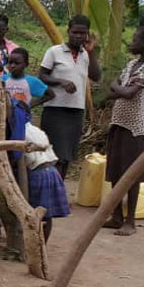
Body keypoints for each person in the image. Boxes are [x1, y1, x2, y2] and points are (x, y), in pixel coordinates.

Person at [103, 26, 144, 236]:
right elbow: (116, 93)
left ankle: (130, 221)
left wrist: (116, 86)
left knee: (132, 174)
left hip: (137, 127)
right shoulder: (132, 64)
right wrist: (118, 89)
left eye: (136, 39)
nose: (131, 42)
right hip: (119, 122)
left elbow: (127, 92)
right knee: (115, 170)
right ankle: (116, 216)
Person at [39, 15, 102, 178]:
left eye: (83, 33)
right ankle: (53, 194)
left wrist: (91, 51)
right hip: (55, 110)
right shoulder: (54, 52)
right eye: (75, 32)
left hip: (76, 111)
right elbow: (42, 76)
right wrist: (61, 81)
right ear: (68, 31)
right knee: (55, 155)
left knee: (67, 156)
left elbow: (95, 76)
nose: (79, 36)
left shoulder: (86, 54)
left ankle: (59, 192)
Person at [23, 122, 70, 242]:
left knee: (35, 213)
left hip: (37, 172)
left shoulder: (19, 132)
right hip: (52, 171)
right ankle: (43, 246)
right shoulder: (37, 130)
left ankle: (34, 246)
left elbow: (29, 158)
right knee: (46, 214)